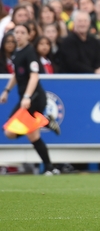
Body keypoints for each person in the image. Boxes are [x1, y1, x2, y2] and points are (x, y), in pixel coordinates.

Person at [0, 24, 62, 175]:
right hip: (26, 98)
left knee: (10, 131)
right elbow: (16, 75)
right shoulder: (16, 53)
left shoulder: (29, 53)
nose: (19, 35)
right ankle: (50, 168)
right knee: (31, 135)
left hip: (34, 98)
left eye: (22, 32)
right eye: (17, 32)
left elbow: (34, 76)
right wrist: (7, 91)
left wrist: (27, 97)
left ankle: (46, 121)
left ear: (29, 35)